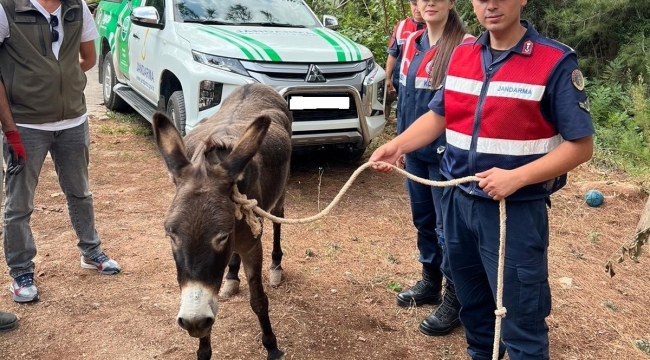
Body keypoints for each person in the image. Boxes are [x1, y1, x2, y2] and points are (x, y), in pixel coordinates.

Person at [370, 0, 594, 358]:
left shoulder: (553, 61)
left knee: (521, 319)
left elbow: (581, 146)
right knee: (473, 309)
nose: (490, 4)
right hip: (457, 203)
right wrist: (395, 146)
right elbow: (439, 116)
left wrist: (517, 177)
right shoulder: (462, 55)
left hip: (513, 213)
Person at [0, 0, 121, 304]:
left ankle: (91, 251)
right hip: (26, 125)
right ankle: (21, 271)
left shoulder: (77, 7)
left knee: (80, 192)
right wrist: (11, 129)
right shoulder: (7, 9)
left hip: (73, 121)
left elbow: (88, 59)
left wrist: (62, 80)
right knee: (19, 203)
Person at [394, 0, 472, 336]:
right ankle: (430, 282)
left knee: (447, 231)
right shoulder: (412, 41)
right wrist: (400, 143)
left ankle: (456, 299)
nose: (428, 3)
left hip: (446, 158)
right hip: (415, 154)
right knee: (424, 221)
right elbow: (406, 97)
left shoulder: (465, 47)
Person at [384, 0, 425, 118]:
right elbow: (393, 54)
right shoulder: (401, 26)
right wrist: (388, 78)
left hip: (424, 84)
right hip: (402, 82)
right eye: (414, 4)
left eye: (419, 4)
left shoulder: (434, 27)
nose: (417, 8)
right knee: (402, 112)